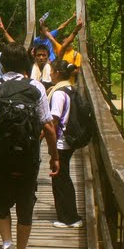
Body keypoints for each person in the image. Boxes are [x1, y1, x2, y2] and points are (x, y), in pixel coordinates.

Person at [0, 43, 59, 249]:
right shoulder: (36, 87)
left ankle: (6, 244)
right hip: (28, 156)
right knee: (25, 206)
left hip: (1, 155)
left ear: (2, 64)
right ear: (27, 63)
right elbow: (49, 126)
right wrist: (54, 157)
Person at [47, 60, 83, 228]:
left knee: (61, 179)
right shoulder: (70, 88)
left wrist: (49, 145)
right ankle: (70, 215)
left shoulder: (58, 93)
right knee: (64, 177)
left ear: (57, 73)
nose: (50, 74)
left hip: (61, 142)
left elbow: (53, 121)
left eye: (52, 71)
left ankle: (68, 218)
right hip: (69, 140)